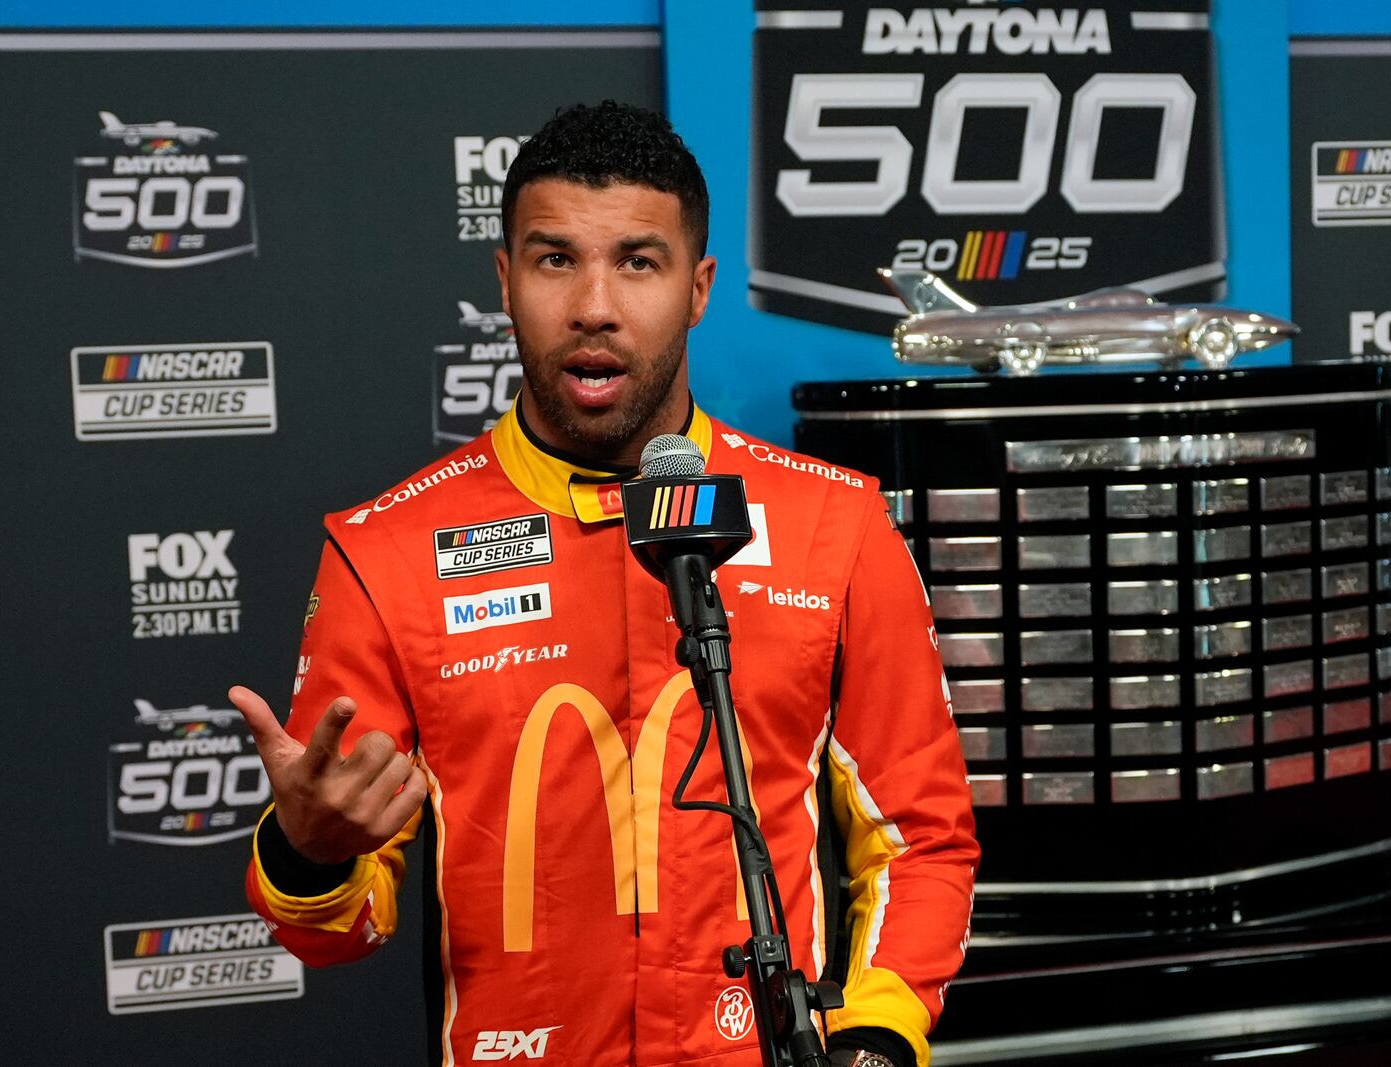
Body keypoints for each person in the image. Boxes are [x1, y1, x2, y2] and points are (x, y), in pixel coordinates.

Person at [231, 101, 978, 1067]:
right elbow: (335, 928)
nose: (593, 305)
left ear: (699, 286)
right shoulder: (389, 552)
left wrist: (876, 1037)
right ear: (504, 280)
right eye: (554, 260)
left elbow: (920, 838)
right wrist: (309, 852)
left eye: (637, 261)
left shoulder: (835, 528)